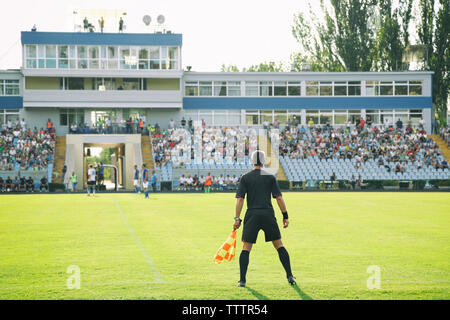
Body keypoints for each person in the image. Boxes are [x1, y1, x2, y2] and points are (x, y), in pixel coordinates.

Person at [234, 150, 295, 287]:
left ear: (251, 161)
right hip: (268, 213)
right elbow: (279, 197)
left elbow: (240, 199)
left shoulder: (245, 177)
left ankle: (242, 281)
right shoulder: (270, 177)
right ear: (263, 161)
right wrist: (285, 216)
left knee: (246, 247)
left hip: (252, 214)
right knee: (279, 245)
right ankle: (290, 276)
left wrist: (237, 218)